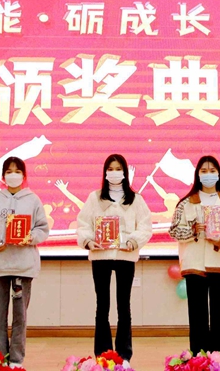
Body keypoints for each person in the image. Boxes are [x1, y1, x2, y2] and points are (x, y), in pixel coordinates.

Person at [76, 154, 153, 368]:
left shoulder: (135, 199)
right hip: (101, 256)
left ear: (125, 172)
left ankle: (124, 355)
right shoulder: (95, 198)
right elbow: (83, 224)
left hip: (125, 256)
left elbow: (145, 226)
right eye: (110, 168)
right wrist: (89, 241)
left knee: (123, 306)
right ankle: (103, 354)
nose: (114, 172)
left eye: (118, 168)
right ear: (105, 172)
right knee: (102, 306)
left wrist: (133, 241)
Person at [0, 156, 50, 368]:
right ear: (3, 176)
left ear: (24, 176)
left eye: (17, 171)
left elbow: (42, 228)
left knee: (20, 317)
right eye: (9, 171)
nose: (13, 175)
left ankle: (16, 360)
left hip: (23, 266)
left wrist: (30, 237)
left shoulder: (33, 200)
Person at [168, 155, 220, 356]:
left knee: (219, 314)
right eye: (204, 171)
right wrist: (192, 231)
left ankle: (217, 358)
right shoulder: (186, 203)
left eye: (212, 171)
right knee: (197, 314)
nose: (208, 175)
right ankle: (198, 358)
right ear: (197, 174)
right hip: (194, 264)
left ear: (218, 174)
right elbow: (174, 230)